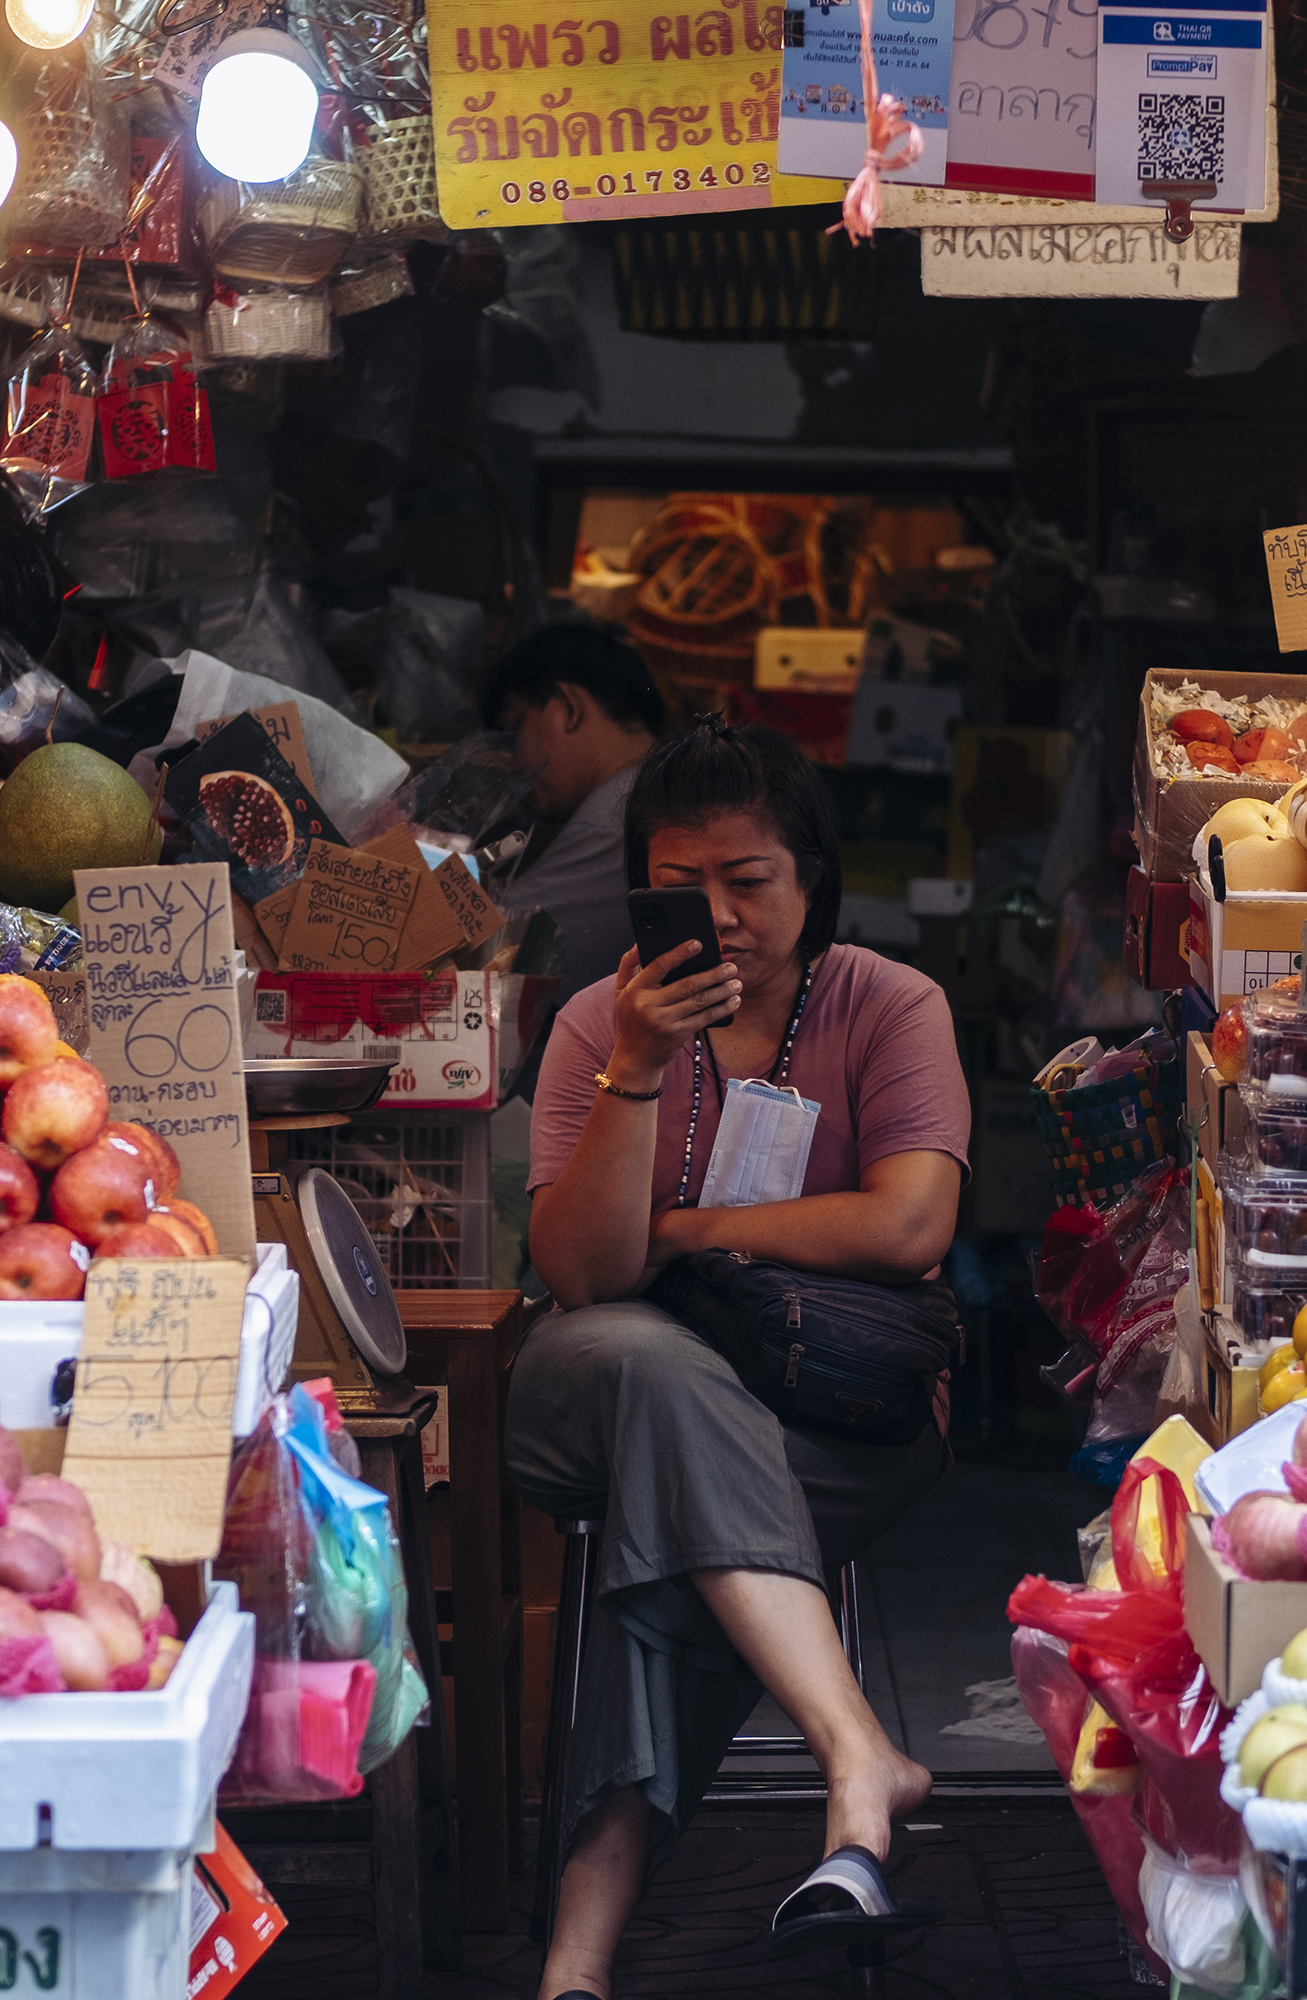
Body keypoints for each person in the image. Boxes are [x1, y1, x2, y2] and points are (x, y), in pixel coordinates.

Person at [507, 717, 969, 2000]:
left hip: (842, 1417)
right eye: (680, 886)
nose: (715, 915)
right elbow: (586, 1277)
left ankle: (576, 1964)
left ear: (811, 880)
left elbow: (913, 1222)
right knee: (656, 1374)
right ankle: (857, 1757)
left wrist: (697, 1232)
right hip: (596, 1392)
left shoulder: (889, 1004)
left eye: (747, 880)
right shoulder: (603, 1022)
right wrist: (637, 1071)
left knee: (673, 1549)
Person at [484, 620, 667, 1000]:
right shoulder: (654, 786)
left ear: (568, 707)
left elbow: (494, 960)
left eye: (515, 729)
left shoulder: (622, 815)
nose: (513, 764)